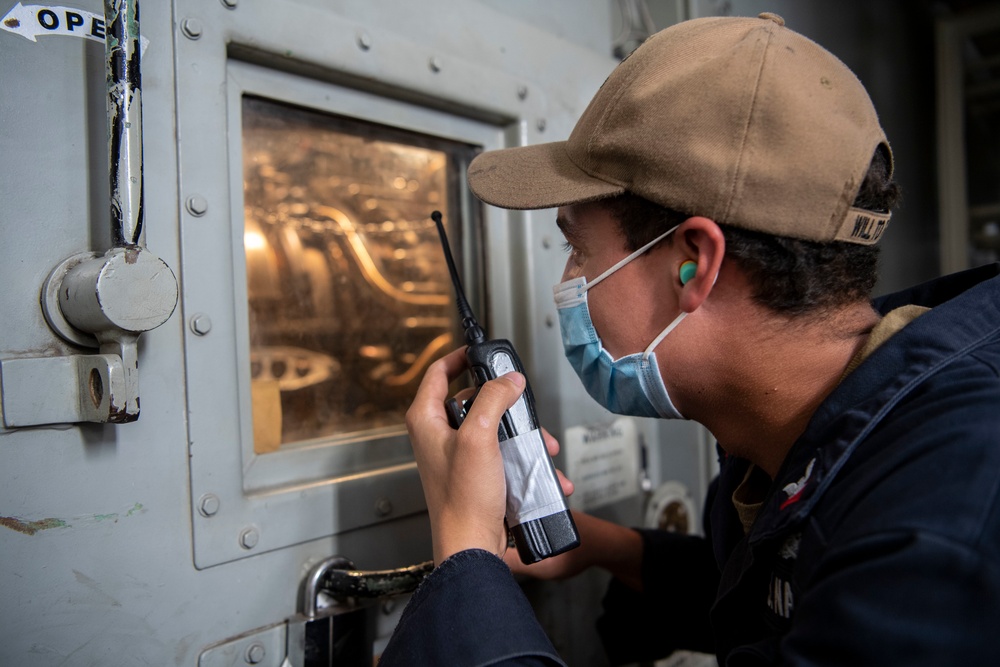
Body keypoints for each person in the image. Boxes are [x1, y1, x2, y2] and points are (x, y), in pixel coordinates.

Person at [380, 12, 1000, 666]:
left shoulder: (944, 522)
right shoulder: (804, 437)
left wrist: (466, 554)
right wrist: (603, 546)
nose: (567, 282)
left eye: (577, 248)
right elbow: (794, 593)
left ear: (693, 264)